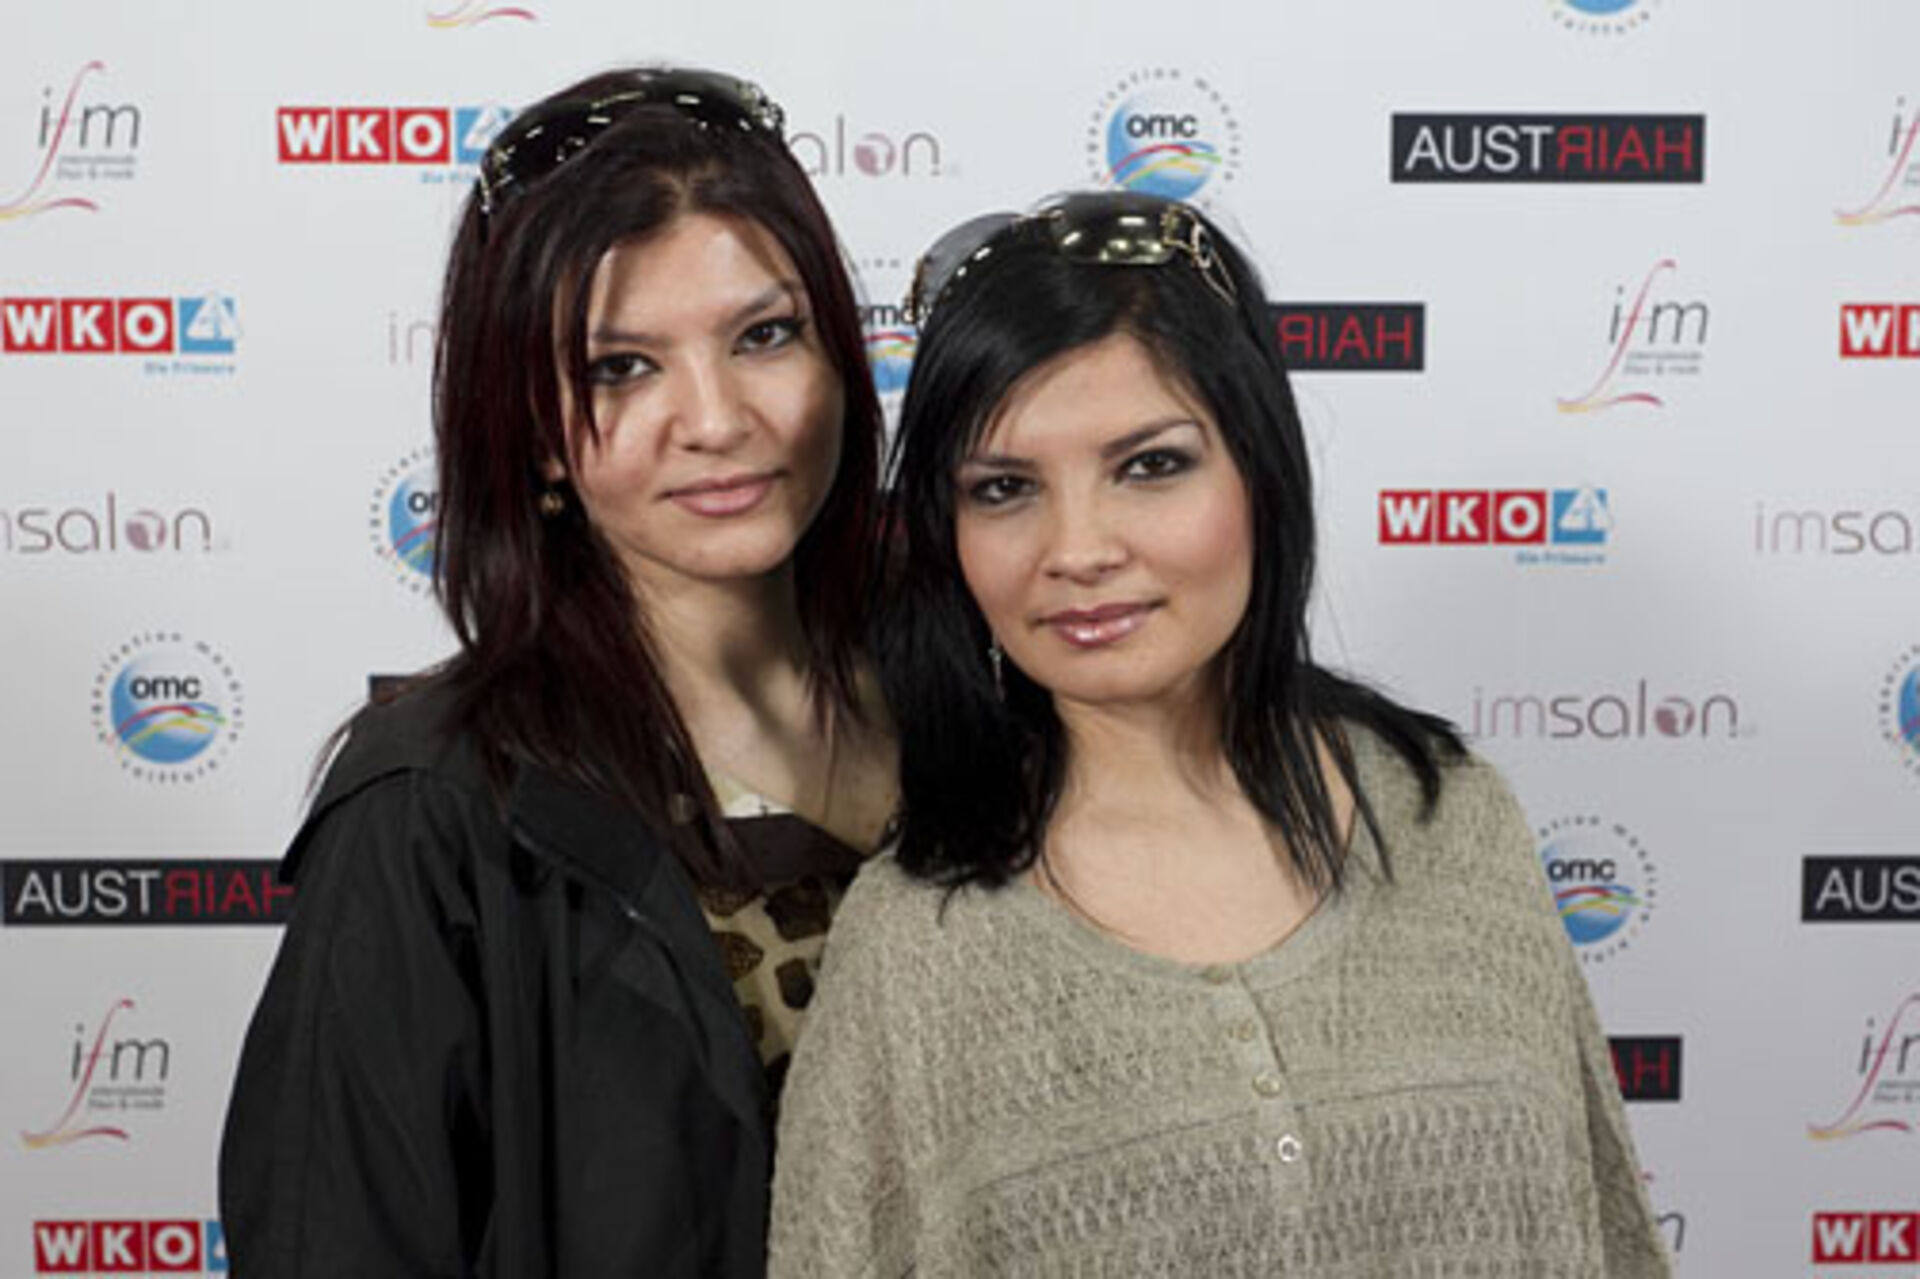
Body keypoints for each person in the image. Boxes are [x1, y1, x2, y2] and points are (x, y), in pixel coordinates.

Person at [769, 192, 1671, 1276]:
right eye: (1004, 488)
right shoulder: (917, 947)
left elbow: (1606, 1239)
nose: (1078, 548)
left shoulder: (1454, 818)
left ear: (1260, 467)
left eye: (1150, 465)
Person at [220, 67, 894, 1277]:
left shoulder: (987, 705)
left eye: (764, 335)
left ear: (840, 356)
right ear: (530, 427)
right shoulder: (430, 806)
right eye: (620, 367)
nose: (717, 418)